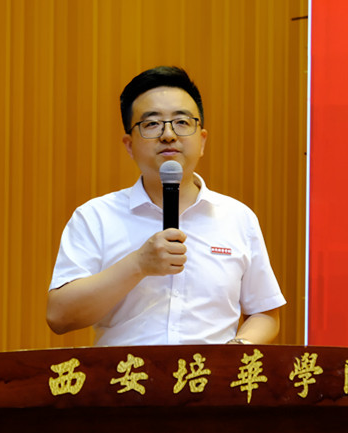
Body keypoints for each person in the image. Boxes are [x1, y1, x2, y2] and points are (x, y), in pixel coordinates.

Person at [46, 66, 286, 346]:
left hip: (208, 374)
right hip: (126, 373)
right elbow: (59, 316)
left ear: (202, 140)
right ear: (129, 145)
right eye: (152, 124)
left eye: (182, 122)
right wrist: (138, 264)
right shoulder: (95, 217)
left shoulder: (237, 218)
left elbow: (265, 313)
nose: (169, 135)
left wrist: (238, 349)